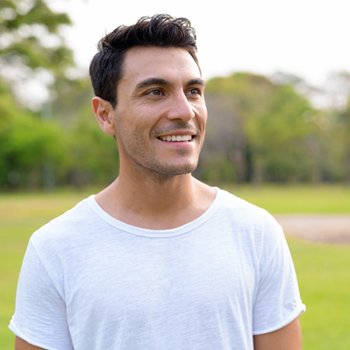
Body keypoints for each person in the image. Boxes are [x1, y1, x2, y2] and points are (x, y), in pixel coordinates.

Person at [9, 14, 305, 350]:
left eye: (193, 91)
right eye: (155, 92)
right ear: (105, 115)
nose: (184, 110)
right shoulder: (55, 248)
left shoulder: (255, 232)